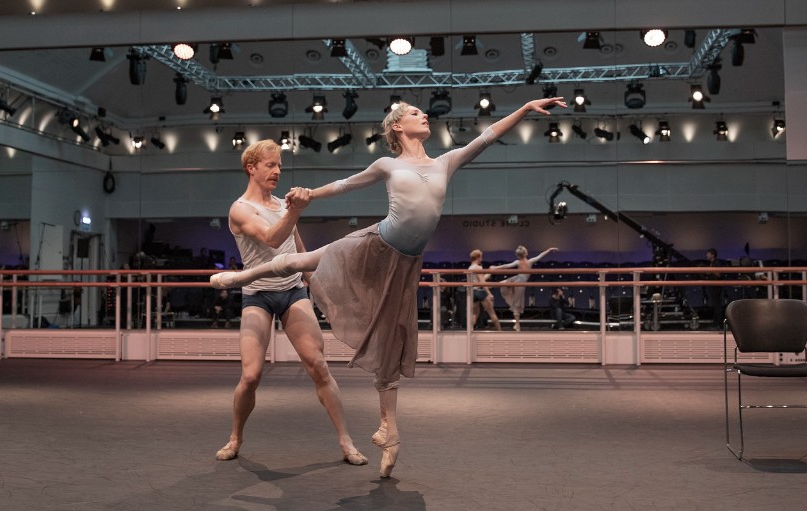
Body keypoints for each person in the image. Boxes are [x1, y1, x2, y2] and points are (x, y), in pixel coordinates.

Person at [211, 96, 568, 477]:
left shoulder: (445, 162)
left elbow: (488, 136)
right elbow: (346, 184)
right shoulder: (388, 164)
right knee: (302, 261)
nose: (424, 114)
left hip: (406, 262)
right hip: (376, 242)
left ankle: (388, 432)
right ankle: (239, 278)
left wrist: (525, 106)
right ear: (397, 126)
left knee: (392, 337)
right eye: (415, 113)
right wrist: (311, 196)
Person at [213, 139, 367, 467]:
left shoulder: (283, 204)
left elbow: (296, 247)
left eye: (280, 165)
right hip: (257, 295)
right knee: (251, 375)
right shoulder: (240, 209)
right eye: (270, 165)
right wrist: (296, 209)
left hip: (292, 292)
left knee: (319, 366)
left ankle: (346, 441)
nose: (277, 171)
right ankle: (235, 437)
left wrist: (316, 285)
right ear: (251, 168)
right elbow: (271, 238)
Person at [492, 246, 558, 331]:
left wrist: (496, 268)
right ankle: (517, 324)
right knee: (517, 303)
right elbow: (540, 255)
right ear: (525, 253)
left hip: (518, 280)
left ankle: (486, 284)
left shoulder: (519, 262)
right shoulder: (529, 261)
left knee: (503, 285)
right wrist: (549, 250)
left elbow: (506, 266)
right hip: (519, 281)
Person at [467, 249, 501, 331]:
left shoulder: (469, 268)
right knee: (491, 313)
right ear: (478, 257)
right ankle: (500, 332)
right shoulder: (479, 267)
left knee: (475, 314)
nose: (482, 259)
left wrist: (489, 272)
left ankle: (469, 331)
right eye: (481, 257)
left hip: (473, 292)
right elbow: (482, 282)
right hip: (480, 292)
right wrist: (489, 293)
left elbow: (480, 279)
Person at [703, 248, 726, 329]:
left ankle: (719, 324)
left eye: (708, 254)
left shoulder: (717, 263)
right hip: (713, 286)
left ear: (712, 255)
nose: (706, 255)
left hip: (716, 287)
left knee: (717, 305)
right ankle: (716, 323)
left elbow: (719, 275)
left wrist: (711, 270)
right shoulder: (711, 263)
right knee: (715, 305)